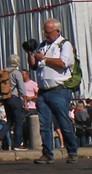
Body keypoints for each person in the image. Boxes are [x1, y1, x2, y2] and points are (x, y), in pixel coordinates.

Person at [29, 18, 80, 163]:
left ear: (58, 31)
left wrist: (44, 58)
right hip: (43, 90)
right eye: (45, 32)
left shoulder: (65, 45)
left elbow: (63, 63)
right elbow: (34, 66)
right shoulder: (42, 45)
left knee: (63, 121)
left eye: (49, 32)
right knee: (44, 123)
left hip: (59, 90)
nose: (46, 35)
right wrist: (30, 53)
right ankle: (47, 153)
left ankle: (72, 151)